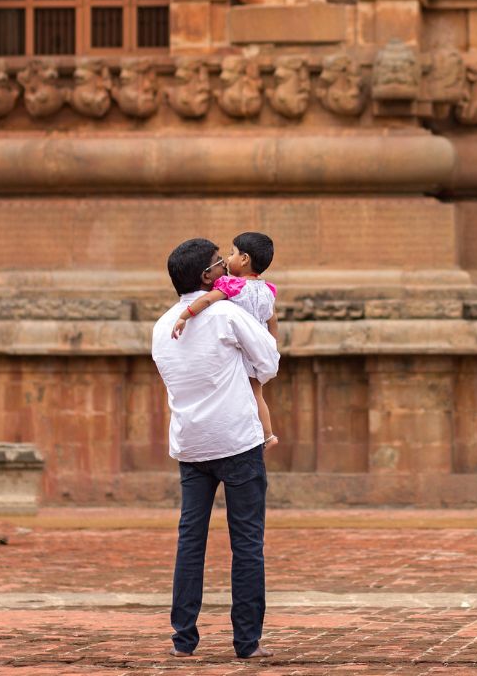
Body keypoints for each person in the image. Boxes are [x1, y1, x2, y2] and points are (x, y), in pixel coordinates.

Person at [151, 238, 280, 660]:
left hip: (190, 443)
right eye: (217, 262)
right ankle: (247, 642)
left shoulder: (161, 325)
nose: (225, 263)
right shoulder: (226, 312)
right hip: (237, 439)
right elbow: (269, 362)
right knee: (246, 542)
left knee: (190, 540)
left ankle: (183, 639)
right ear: (208, 277)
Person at [172, 232, 280, 450]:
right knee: (257, 394)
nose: (228, 259)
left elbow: (207, 299)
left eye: (232, 254)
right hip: (257, 351)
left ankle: (258, 436)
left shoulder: (233, 286)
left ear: (244, 259)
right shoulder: (268, 289)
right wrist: (271, 346)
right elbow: (273, 319)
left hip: (239, 352)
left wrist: (184, 315)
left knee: (237, 394)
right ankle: (268, 435)